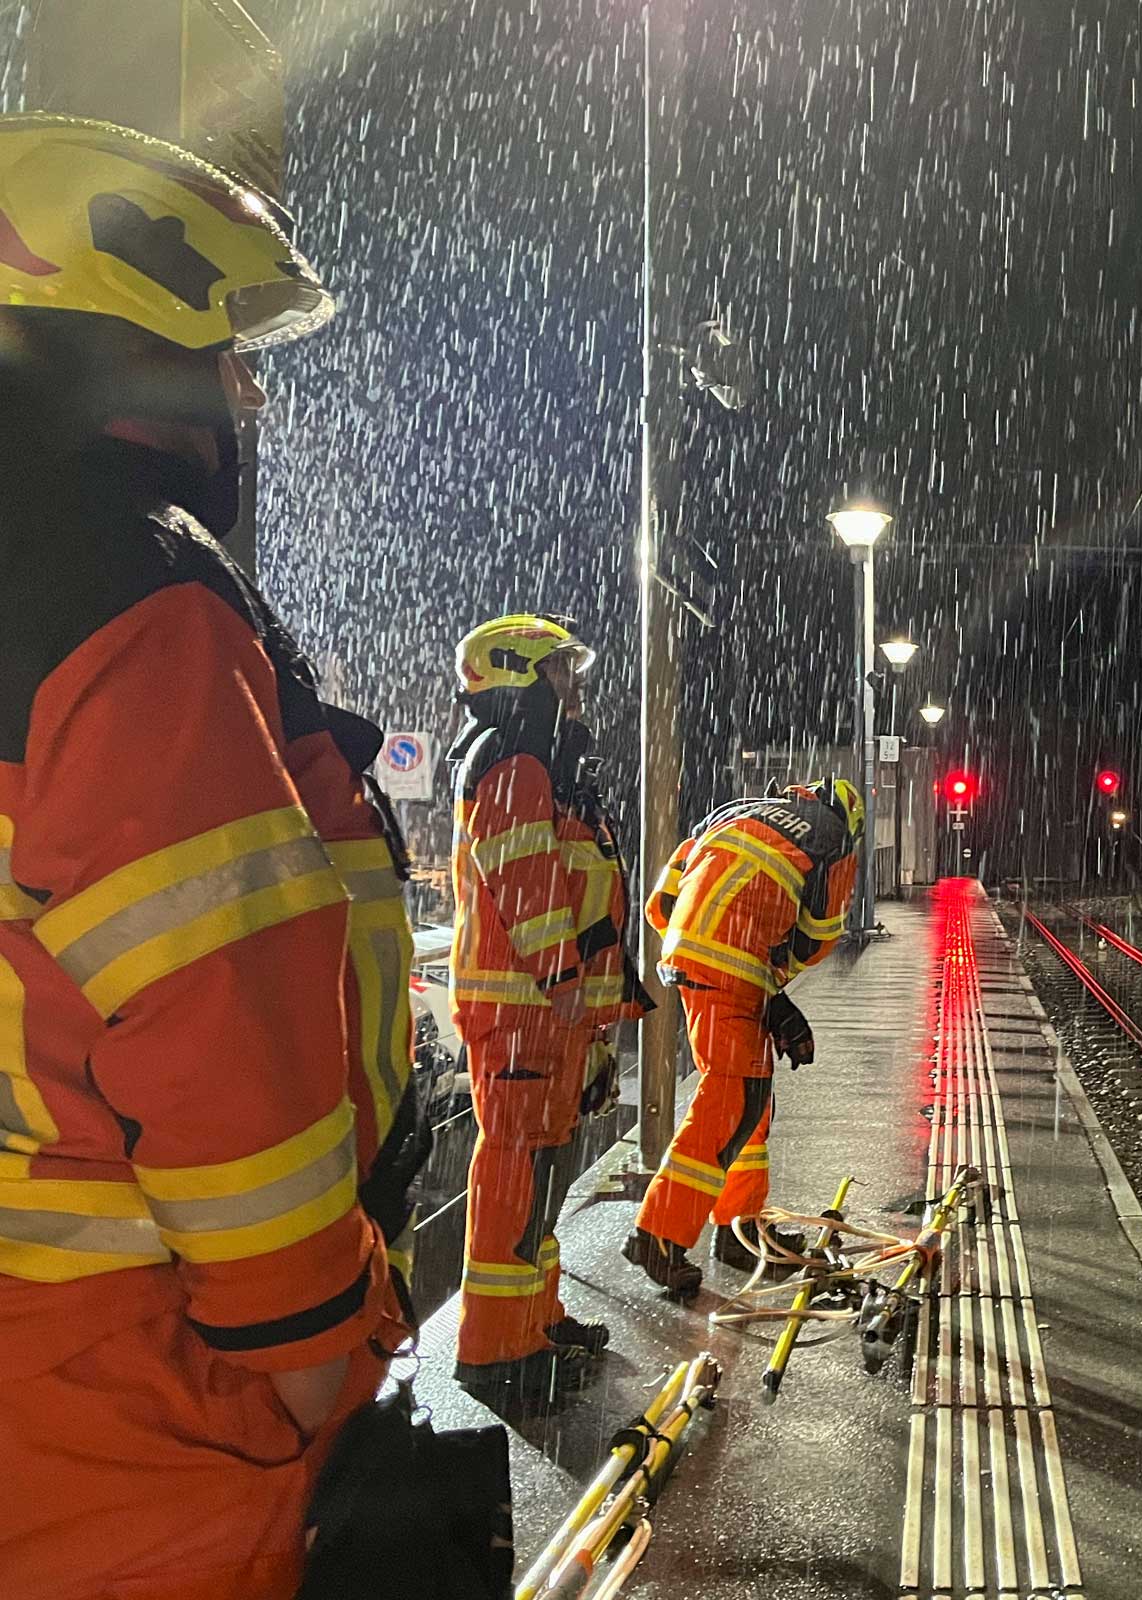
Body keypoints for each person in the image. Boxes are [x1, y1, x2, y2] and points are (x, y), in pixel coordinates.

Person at [0, 114, 412, 1597]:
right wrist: (319, 1349)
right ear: (112, 363)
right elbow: (219, 1012)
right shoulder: (133, 603)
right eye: (223, 355)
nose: (248, 394)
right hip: (128, 1393)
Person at [447, 613, 638, 1412]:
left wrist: (588, 1020)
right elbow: (527, 887)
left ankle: (534, 1321)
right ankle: (493, 1352)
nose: (576, 687)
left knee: (543, 1172)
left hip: (547, 1013)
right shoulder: (514, 763)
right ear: (522, 680)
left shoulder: (542, 764)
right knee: (517, 1173)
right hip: (525, 1008)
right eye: (561, 673)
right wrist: (567, 988)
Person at [623, 781, 863, 1297]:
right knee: (731, 1099)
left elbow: (659, 905)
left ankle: (739, 1228)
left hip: (692, 959)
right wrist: (774, 987)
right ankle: (658, 1235)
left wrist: (711, 951)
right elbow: (818, 937)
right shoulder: (832, 841)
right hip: (736, 967)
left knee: (751, 1100)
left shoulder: (734, 812)